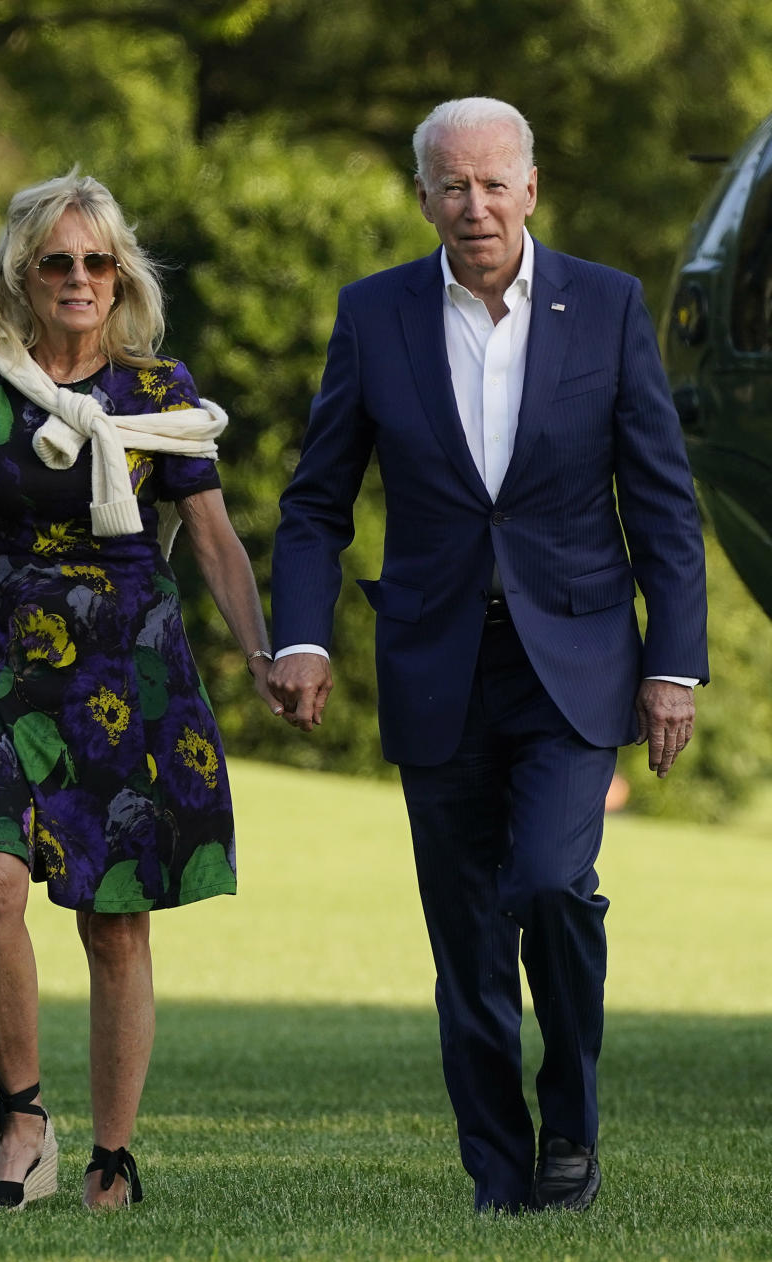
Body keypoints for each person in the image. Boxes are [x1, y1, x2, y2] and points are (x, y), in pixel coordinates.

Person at [268, 98, 708, 1214]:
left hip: (577, 657)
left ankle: (572, 1123)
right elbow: (318, 502)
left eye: (495, 182)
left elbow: (660, 499)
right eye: (452, 186)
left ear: (532, 188)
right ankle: (501, 1174)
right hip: (435, 656)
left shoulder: (605, 306)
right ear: (424, 197)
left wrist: (676, 661)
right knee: (465, 931)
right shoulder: (374, 316)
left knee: (553, 884)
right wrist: (304, 633)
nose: (476, 205)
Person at [0, 173, 278, 1211]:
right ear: (23, 273)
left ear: (121, 272)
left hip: (127, 668)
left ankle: (113, 1155)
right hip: (2, 658)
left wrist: (269, 655)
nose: (81, 278)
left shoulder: (159, 392)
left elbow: (219, 544)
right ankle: (22, 1117)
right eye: (59, 261)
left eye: (98, 261)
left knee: (114, 921)